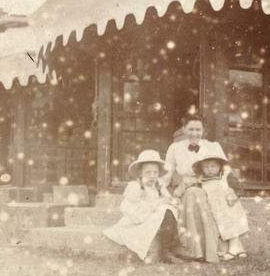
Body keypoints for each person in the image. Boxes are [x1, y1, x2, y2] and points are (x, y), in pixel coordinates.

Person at [161, 113, 233, 263]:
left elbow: (225, 171)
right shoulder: (175, 148)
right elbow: (166, 176)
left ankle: (204, 251)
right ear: (184, 129)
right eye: (191, 129)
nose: (194, 133)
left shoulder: (213, 146)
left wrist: (224, 189)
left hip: (210, 188)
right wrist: (161, 193)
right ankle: (196, 251)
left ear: (203, 130)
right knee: (193, 194)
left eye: (198, 130)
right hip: (187, 189)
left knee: (196, 194)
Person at [103, 150, 184, 263]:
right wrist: (159, 204)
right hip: (138, 221)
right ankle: (165, 253)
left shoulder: (159, 186)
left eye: (155, 172)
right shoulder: (135, 187)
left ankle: (175, 247)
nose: (152, 176)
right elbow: (135, 211)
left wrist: (171, 201)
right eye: (148, 172)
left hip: (153, 219)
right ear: (140, 174)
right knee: (164, 208)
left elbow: (168, 199)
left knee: (170, 208)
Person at [191, 149, 248, 261]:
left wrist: (235, 195)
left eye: (213, 166)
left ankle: (233, 251)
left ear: (219, 167)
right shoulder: (201, 181)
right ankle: (239, 250)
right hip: (216, 210)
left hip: (229, 206)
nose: (210, 169)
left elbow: (239, 187)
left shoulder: (225, 177)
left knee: (233, 227)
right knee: (225, 229)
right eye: (206, 167)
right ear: (202, 169)